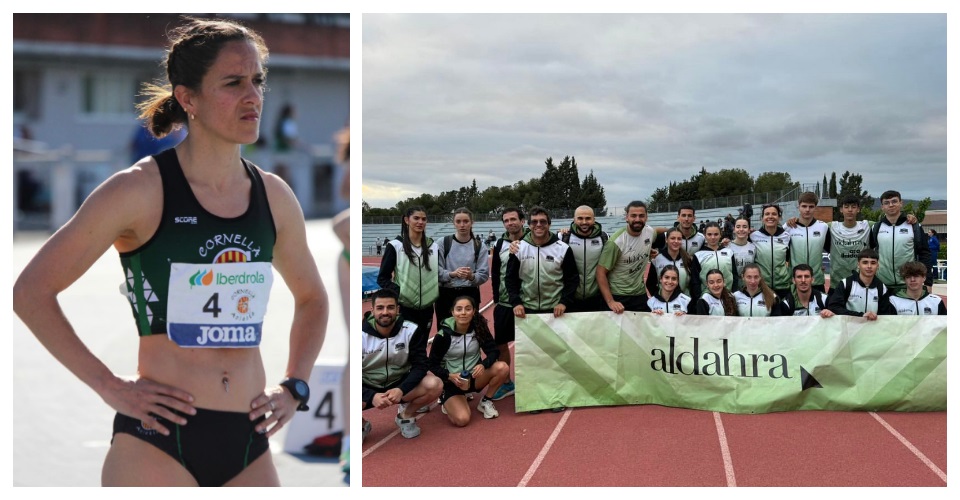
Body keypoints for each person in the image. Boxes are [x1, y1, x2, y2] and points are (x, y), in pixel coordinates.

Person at [13, 18, 328, 487]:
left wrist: (296, 385)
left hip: (248, 438)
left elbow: (312, 298)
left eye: (257, 81)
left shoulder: (274, 196)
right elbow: (31, 291)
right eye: (233, 83)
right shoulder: (137, 190)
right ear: (187, 98)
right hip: (158, 440)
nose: (253, 96)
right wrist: (109, 385)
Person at [505, 206, 578, 414]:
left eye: (542, 221)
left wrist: (564, 301)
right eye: (535, 221)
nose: (539, 225)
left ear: (549, 224)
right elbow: (510, 279)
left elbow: (572, 279)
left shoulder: (562, 248)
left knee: (555, 357)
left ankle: (556, 396)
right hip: (528, 312)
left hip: (555, 311)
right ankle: (534, 399)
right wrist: (516, 302)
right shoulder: (519, 248)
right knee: (531, 357)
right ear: (528, 224)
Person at [361, 289, 442, 439]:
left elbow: (421, 365)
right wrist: (371, 396)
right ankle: (361, 425)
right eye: (380, 308)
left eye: (390, 307)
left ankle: (406, 415)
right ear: (372, 310)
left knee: (435, 384)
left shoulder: (411, 330)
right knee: (338, 396)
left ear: (398, 309)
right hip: (368, 385)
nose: (385, 312)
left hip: (399, 382)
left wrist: (401, 389)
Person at [429, 296, 510, 425]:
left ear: (473, 311)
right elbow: (432, 364)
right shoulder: (443, 335)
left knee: (503, 367)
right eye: (459, 309)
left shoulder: (478, 328)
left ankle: (486, 401)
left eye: (468, 309)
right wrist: (449, 376)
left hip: (474, 377)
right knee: (462, 420)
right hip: (453, 382)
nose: (463, 313)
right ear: (452, 312)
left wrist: (483, 365)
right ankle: (447, 399)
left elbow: (493, 351)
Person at [488, 207, 529, 401]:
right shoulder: (500, 243)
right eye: (506, 220)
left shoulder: (534, 239)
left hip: (529, 302)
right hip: (505, 302)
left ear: (523, 221)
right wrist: (496, 300)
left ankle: (532, 381)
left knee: (531, 344)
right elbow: (496, 273)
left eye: (513, 219)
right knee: (501, 344)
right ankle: (506, 383)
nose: (510, 223)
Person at [378, 205, 440, 332]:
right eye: (416, 218)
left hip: (427, 308)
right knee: (404, 348)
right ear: (407, 220)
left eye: (424, 219)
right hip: (405, 308)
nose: (420, 222)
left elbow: (439, 273)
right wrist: (400, 292)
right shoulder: (395, 246)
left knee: (421, 347)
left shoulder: (433, 246)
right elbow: (382, 278)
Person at [597, 201, 657, 313]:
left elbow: (659, 231)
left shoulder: (649, 232)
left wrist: (677, 230)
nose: (638, 219)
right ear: (626, 217)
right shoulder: (615, 242)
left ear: (646, 217)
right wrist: (610, 301)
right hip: (617, 295)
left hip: (639, 294)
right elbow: (600, 272)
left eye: (641, 216)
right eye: (633, 215)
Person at [869, 190, 931, 294]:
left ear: (901, 203)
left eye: (894, 201)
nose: (891, 205)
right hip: (882, 285)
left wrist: (928, 282)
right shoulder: (876, 227)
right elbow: (870, 255)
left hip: (908, 284)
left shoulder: (914, 226)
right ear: (882, 207)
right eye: (887, 203)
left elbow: (925, 254)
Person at [436, 207, 490, 323]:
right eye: (458, 221)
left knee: (470, 330)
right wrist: (452, 274)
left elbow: (484, 274)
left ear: (472, 223)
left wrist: (472, 276)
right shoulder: (442, 243)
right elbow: (435, 271)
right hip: (446, 294)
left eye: (466, 221)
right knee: (446, 331)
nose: (462, 225)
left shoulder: (479, 246)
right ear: (453, 223)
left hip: (470, 293)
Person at [560, 205, 609, 312]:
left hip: (596, 298)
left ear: (594, 219)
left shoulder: (604, 238)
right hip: (569, 298)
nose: (584, 222)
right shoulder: (563, 237)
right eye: (580, 218)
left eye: (588, 218)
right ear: (574, 219)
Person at [783, 192, 831, 293]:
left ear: (815, 207)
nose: (807, 210)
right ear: (798, 207)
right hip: (795, 281)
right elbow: (783, 255)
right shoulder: (788, 227)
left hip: (816, 281)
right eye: (804, 206)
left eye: (811, 206)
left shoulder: (823, 227)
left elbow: (831, 251)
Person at [826, 248, 894, 319]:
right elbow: (834, 307)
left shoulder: (882, 287)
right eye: (865, 262)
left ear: (878, 265)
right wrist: (861, 316)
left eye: (873, 263)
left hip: (872, 328)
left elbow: (885, 314)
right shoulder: (846, 283)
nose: (869, 266)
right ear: (858, 265)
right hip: (850, 327)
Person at [750, 203, 792, 300]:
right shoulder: (753, 236)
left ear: (779, 217)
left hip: (783, 286)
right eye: (767, 214)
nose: (770, 216)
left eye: (774, 214)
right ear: (762, 218)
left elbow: (789, 259)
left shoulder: (786, 236)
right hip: (762, 286)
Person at [646, 226, 701, 300]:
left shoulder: (688, 259)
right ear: (666, 240)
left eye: (679, 239)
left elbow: (693, 283)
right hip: (663, 304)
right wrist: (659, 298)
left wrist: (691, 302)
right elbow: (650, 284)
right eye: (672, 238)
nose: (676, 241)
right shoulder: (657, 259)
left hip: (685, 303)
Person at [694, 222, 739, 293]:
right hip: (707, 297)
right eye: (709, 234)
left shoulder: (729, 252)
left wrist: (734, 293)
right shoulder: (698, 255)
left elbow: (735, 276)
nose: (713, 237)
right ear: (705, 235)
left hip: (728, 295)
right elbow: (695, 281)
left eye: (716, 234)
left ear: (720, 235)